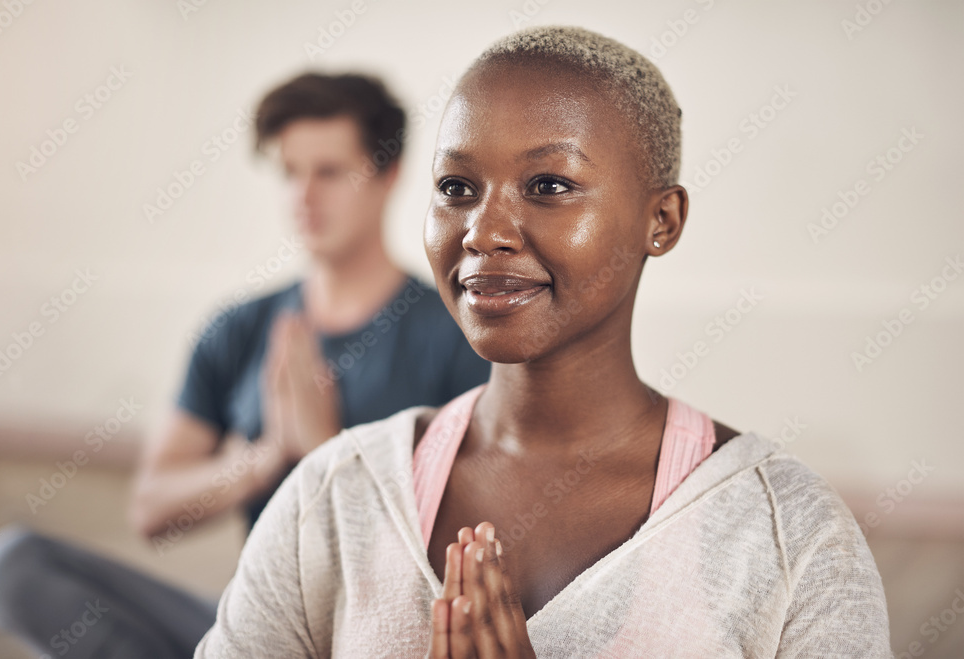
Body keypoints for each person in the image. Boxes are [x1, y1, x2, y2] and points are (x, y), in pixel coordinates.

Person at [194, 26, 892, 658]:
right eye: (457, 186)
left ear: (663, 220)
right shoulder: (334, 494)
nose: (483, 230)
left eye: (549, 184)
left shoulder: (787, 532)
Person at [0, 73, 489, 658]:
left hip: (375, 639)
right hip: (253, 630)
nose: (304, 197)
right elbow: (150, 508)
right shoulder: (239, 329)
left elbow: (471, 553)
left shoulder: (455, 336)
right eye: (290, 172)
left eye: (329, 172)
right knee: (4, 567)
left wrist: (324, 454)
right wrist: (262, 458)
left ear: (388, 176)